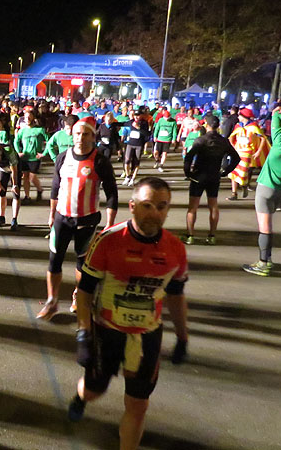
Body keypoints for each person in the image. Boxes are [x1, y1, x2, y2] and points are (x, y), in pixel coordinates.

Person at [68, 177, 189, 450]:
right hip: (107, 332)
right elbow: (85, 291)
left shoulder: (175, 249)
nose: (154, 213)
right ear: (132, 206)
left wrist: (183, 337)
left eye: (161, 206)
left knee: (138, 405)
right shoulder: (108, 241)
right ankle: (81, 397)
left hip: (146, 337)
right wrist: (83, 334)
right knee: (94, 390)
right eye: (147, 205)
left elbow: (176, 296)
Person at [37, 116, 118, 320]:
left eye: (86, 134)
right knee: (54, 260)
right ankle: (52, 301)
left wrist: (109, 224)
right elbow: (55, 189)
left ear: (93, 136)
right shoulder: (63, 158)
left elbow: (112, 193)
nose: (81, 138)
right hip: (62, 218)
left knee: (82, 263)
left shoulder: (100, 161)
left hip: (87, 220)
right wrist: (51, 215)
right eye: (77, 134)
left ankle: (78, 296)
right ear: (72, 135)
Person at [242, 108, 281, 276]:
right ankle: (267, 260)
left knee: (265, 228)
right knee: (267, 226)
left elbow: (276, 114)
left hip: (267, 188)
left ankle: (263, 263)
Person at [182, 116, 240, 245]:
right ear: (218, 126)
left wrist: (188, 173)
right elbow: (236, 158)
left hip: (198, 175)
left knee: (193, 207)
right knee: (213, 205)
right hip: (214, 176)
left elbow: (189, 157)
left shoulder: (200, 140)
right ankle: (212, 236)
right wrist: (225, 171)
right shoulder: (223, 141)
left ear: (207, 125)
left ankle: (190, 235)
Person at [227, 108, 270, 200]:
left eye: (239, 115)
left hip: (247, 152)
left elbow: (263, 138)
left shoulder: (253, 127)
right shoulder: (238, 126)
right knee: (233, 171)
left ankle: (244, 185)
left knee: (243, 172)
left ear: (243, 116)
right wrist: (233, 147)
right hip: (237, 151)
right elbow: (231, 137)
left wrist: (258, 151)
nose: (238, 117)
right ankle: (234, 193)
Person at [15, 107, 49, 202]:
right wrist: (18, 152)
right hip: (25, 157)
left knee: (32, 176)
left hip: (35, 158)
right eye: (26, 117)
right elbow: (16, 141)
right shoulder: (22, 131)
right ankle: (27, 196)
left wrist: (44, 153)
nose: (28, 119)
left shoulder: (40, 130)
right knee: (25, 177)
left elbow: (49, 141)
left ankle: (39, 189)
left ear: (33, 118)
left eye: (29, 117)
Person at [0, 143, 21, 230]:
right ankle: (1, 217)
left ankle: (14, 219)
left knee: (16, 194)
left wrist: (14, 185)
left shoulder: (9, 152)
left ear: (0, 154)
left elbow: (14, 171)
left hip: (15, 168)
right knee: (1, 193)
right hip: (3, 169)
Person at [122, 112, 151, 187]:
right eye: (135, 116)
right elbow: (122, 123)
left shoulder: (144, 123)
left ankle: (133, 178)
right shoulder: (131, 122)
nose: (136, 117)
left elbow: (147, 134)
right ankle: (127, 176)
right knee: (127, 161)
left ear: (141, 116)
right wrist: (111, 123)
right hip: (130, 144)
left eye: (138, 116)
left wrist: (138, 128)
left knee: (136, 162)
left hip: (139, 145)